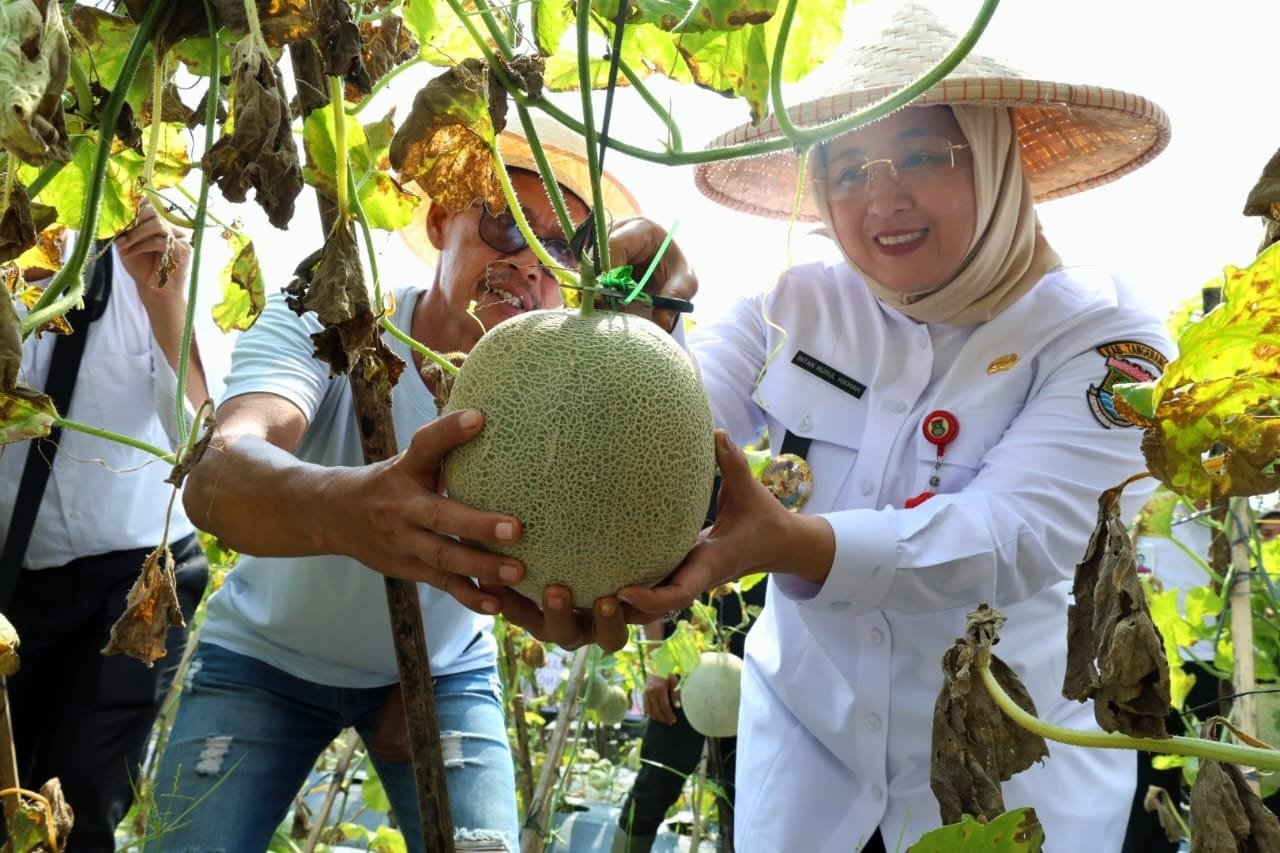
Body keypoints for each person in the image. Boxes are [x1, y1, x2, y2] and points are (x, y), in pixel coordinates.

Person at [617, 5, 1176, 851]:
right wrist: (615, 340)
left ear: (995, 157)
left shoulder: (1106, 339)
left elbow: (1013, 536)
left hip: (1015, 805)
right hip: (802, 792)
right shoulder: (789, 307)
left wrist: (790, 543)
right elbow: (670, 423)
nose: (881, 197)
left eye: (923, 154)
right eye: (844, 169)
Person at [150, 121, 695, 852]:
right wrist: (344, 511)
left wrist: (664, 327)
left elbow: (645, 477)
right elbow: (219, 468)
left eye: (560, 243)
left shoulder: (570, 384)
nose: (530, 258)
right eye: (505, 221)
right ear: (442, 221)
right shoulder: (337, 312)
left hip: (442, 675)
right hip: (263, 660)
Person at [0, 200, 210, 851]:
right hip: (8, 568)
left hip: (130, 574)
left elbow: (201, 446)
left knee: (80, 800)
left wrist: (166, 304)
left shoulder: (162, 243)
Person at [611, 581, 765, 853]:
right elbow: (656, 580)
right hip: (683, 660)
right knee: (656, 783)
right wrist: (658, 662)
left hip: (752, 664)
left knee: (744, 793)